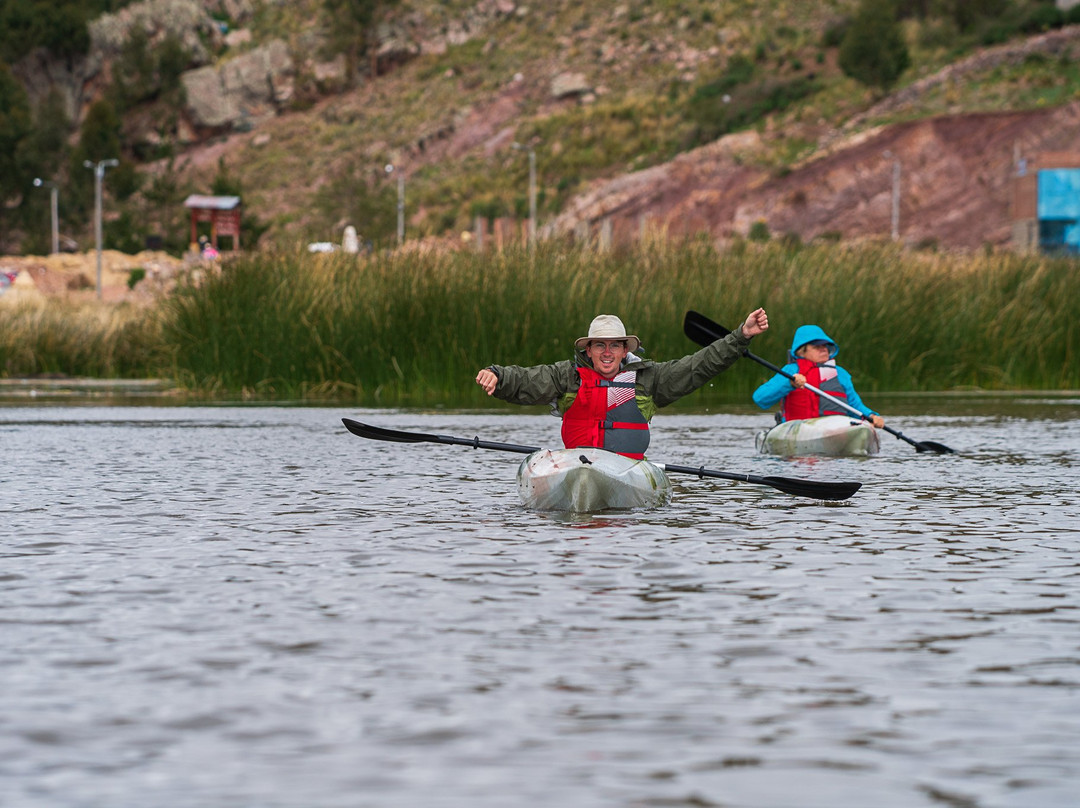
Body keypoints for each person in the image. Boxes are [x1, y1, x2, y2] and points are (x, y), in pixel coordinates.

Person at [475, 308, 769, 459]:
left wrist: (741, 336)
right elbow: (527, 380)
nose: (607, 352)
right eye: (599, 345)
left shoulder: (649, 379)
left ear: (625, 349)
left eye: (614, 345)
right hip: (578, 466)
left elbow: (700, 365)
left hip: (627, 469)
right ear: (588, 351)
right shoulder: (567, 376)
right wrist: (497, 375)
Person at [752, 324, 884, 428]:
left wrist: (872, 416)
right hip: (798, 428)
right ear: (802, 351)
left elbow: (854, 405)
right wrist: (789, 383)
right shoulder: (791, 371)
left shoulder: (840, 373)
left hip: (835, 428)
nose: (824, 349)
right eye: (817, 346)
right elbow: (760, 398)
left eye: (825, 345)